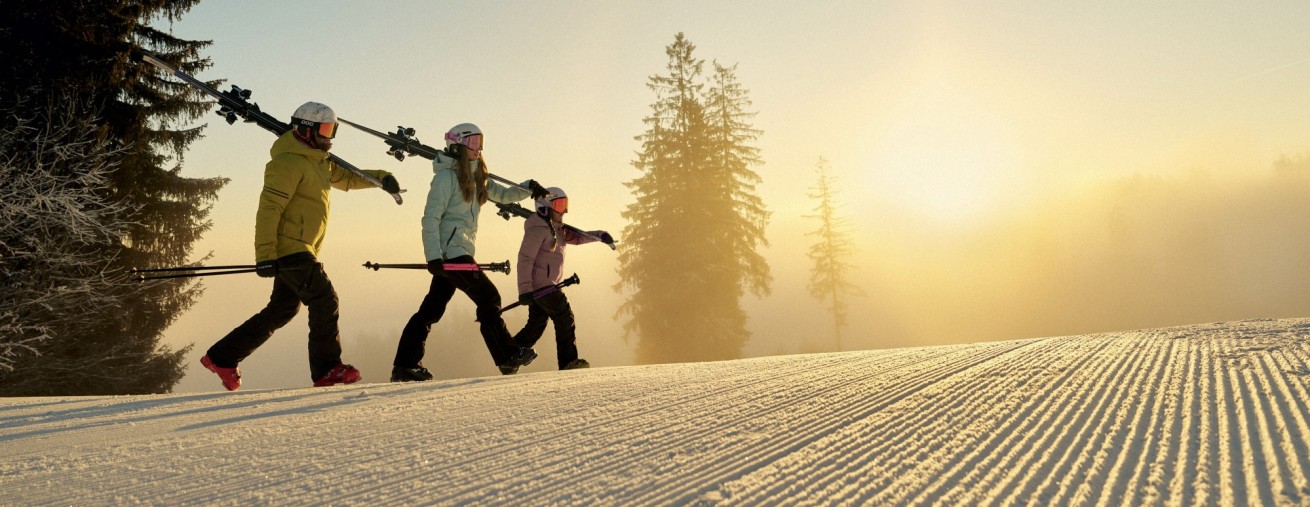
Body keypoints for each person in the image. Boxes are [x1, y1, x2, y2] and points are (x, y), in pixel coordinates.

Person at [199, 101, 401, 391]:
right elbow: (269, 208)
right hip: (289, 248)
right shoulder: (287, 163)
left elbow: (346, 177)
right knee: (324, 299)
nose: (330, 138)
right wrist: (266, 255)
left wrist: (382, 178)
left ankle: (222, 357)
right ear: (306, 130)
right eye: (326, 130)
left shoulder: (317, 162)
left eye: (334, 130)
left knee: (282, 309)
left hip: (302, 246)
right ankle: (327, 369)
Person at [390, 123, 549, 381]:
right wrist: (433, 257)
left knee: (431, 310)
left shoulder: (477, 178)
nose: (479, 149)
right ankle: (507, 356)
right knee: (488, 297)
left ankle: (405, 365)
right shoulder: (445, 178)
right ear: (458, 145)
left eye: (481, 142)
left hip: (457, 251)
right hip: (451, 253)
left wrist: (529, 187)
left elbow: (505, 195)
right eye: (473, 143)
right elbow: (430, 218)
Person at [511, 187, 612, 370]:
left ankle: (509, 355)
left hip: (544, 286)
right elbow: (525, 259)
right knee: (564, 316)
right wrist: (524, 290)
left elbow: (579, 238)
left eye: (565, 205)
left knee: (536, 324)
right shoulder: (537, 229)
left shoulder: (557, 230)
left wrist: (599, 235)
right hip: (542, 286)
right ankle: (568, 362)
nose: (564, 210)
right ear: (545, 206)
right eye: (559, 205)